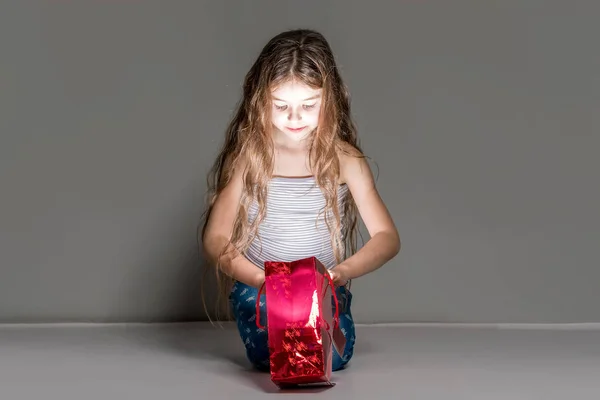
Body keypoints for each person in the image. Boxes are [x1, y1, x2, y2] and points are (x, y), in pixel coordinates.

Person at [200, 29, 400, 372]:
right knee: (274, 356)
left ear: (330, 100)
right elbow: (215, 239)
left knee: (332, 358)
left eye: (309, 106)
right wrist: (265, 282)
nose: (295, 118)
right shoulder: (247, 157)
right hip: (259, 288)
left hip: (322, 288)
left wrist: (339, 274)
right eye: (281, 106)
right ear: (261, 100)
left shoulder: (346, 160)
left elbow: (387, 238)